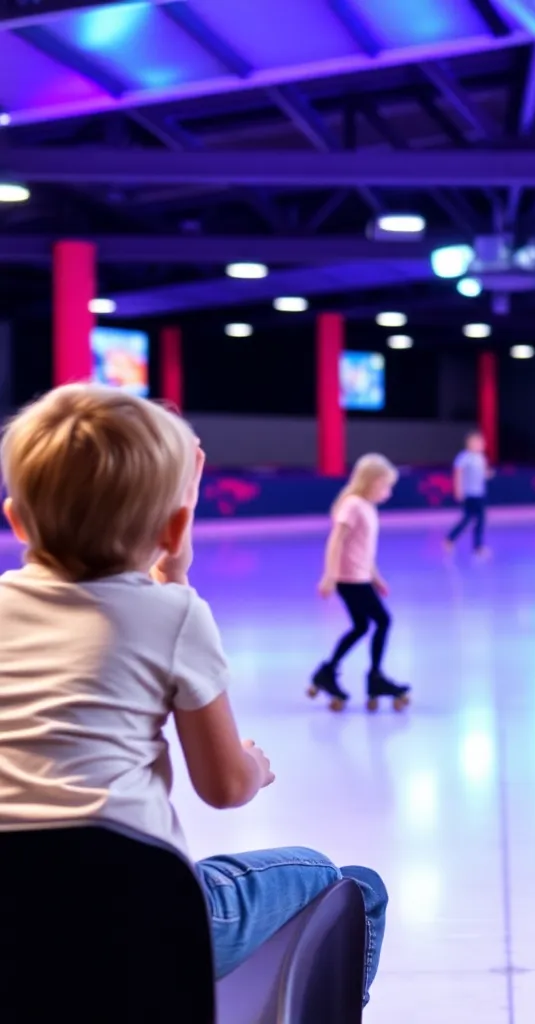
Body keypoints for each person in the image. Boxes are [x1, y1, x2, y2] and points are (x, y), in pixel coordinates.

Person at [0, 384, 387, 999]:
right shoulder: (173, 615)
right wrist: (255, 767)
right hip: (142, 909)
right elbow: (224, 787)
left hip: (16, 920)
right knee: (345, 881)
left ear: (16, 518)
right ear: (177, 524)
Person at [313, 453, 410, 712]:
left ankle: (327, 671)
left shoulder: (367, 507)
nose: (388, 492)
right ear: (373, 481)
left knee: (361, 626)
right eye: (386, 486)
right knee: (382, 621)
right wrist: (330, 575)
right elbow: (336, 540)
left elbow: (363, 550)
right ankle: (375, 677)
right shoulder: (353, 504)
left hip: (360, 577)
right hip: (349, 579)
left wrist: (376, 577)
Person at [444, 429, 492, 557]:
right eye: (477, 442)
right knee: (467, 519)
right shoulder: (464, 457)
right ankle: (450, 538)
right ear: (469, 443)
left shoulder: (481, 458)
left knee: (480, 520)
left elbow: (484, 474)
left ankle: (478, 546)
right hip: (469, 494)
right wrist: (458, 489)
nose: (480, 444)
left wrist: (488, 474)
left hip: (479, 494)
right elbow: (458, 474)